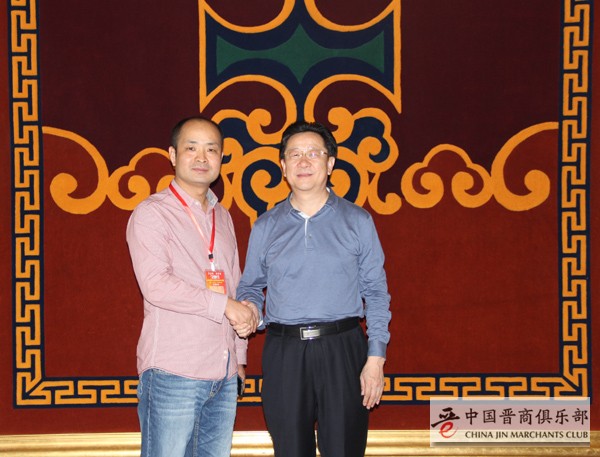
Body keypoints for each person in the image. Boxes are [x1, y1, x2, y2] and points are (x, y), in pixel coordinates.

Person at [236, 120, 392, 457]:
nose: (303, 161)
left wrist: (375, 358)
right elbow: (250, 286)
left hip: (343, 348)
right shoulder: (266, 226)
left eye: (313, 153)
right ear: (283, 166)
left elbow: (376, 292)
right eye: (294, 154)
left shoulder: (358, 220)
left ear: (330, 163)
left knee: (344, 449)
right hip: (284, 351)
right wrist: (250, 310)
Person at [126, 116, 258, 457]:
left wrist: (239, 357)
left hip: (224, 374)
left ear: (221, 158)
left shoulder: (223, 216)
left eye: (211, 150)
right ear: (172, 155)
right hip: (173, 372)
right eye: (191, 148)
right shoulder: (152, 213)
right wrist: (224, 305)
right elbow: (156, 285)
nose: (202, 158)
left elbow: (235, 283)